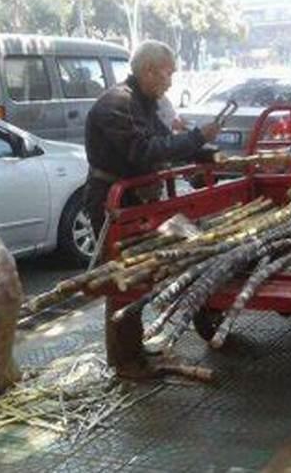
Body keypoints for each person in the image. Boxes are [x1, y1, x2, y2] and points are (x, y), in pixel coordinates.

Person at [84, 39, 220, 378]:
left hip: (143, 198)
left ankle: (135, 349)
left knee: (152, 266)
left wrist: (206, 154)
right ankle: (126, 361)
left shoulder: (144, 102)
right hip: (114, 203)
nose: (170, 82)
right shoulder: (116, 104)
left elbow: (166, 144)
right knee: (123, 278)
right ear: (147, 70)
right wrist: (197, 138)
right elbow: (145, 151)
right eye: (167, 73)